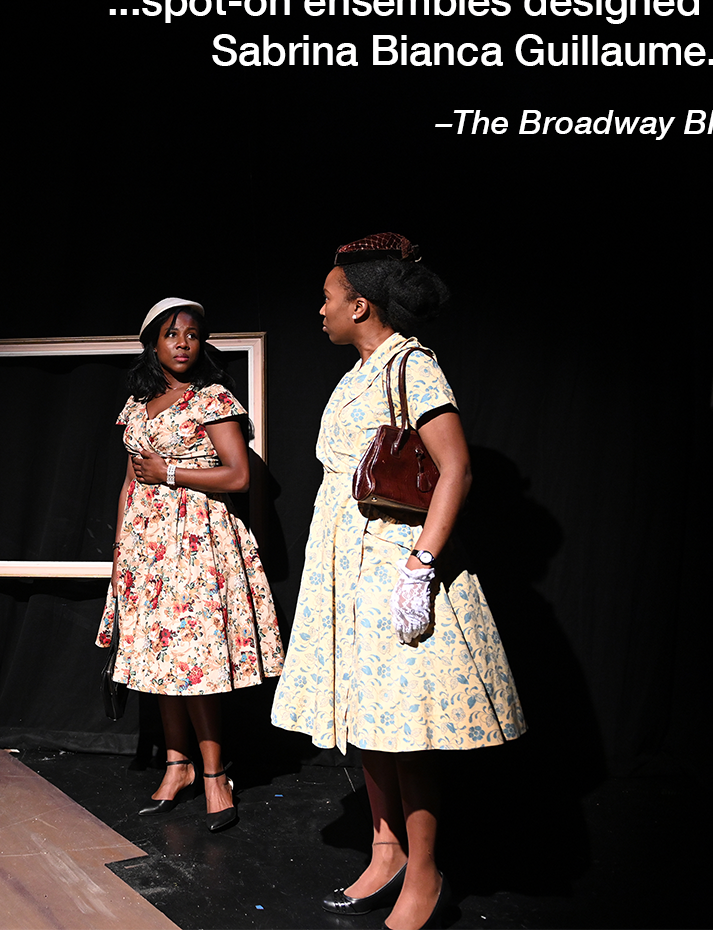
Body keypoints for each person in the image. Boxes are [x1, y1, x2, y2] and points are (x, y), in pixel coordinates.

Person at [271, 235, 526, 930]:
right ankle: (383, 852)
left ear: (360, 305)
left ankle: (424, 871)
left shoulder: (411, 366)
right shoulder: (358, 373)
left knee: (406, 728)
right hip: (343, 569)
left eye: (327, 298)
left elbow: (456, 469)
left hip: (390, 561)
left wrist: (420, 565)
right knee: (369, 719)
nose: (317, 309)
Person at [96, 298, 285, 832]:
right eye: (171, 334)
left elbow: (239, 476)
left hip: (198, 541)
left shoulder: (212, 399)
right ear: (152, 343)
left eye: (193, 335)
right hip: (146, 547)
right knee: (158, 664)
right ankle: (176, 766)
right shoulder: (138, 405)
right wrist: (120, 550)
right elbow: (130, 481)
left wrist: (170, 472)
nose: (182, 343)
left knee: (194, 665)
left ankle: (214, 774)